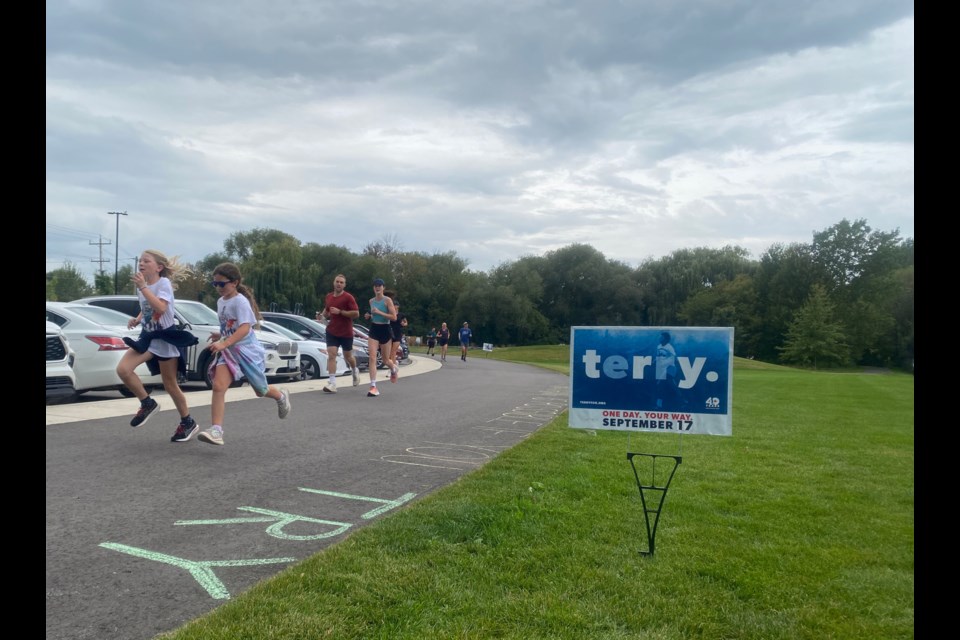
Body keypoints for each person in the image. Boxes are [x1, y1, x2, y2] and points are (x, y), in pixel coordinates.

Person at [198, 262, 292, 446]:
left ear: (235, 282)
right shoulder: (220, 301)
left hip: (247, 351)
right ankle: (216, 430)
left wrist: (225, 341)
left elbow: (244, 328)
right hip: (229, 352)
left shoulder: (240, 301)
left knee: (260, 390)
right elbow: (230, 325)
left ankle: (281, 397)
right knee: (218, 386)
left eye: (222, 284)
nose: (218, 288)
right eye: (214, 284)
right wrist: (221, 335)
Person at [115, 249, 200, 442]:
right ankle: (147, 403)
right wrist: (137, 319)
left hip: (165, 338)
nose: (141, 264)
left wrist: (144, 287)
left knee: (170, 384)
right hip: (148, 337)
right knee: (123, 369)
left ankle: (188, 422)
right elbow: (147, 307)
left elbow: (161, 307)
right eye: (141, 261)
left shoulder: (163, 283)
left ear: (159, 267)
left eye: (146, 261)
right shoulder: (142, 287)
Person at [317, 273, 362, 394]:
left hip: (346, 332)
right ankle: (332, 383)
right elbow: (327, 311)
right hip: (332, 331)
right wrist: (321, 316)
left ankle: (354, 370)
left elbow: (356, 313)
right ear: (334, 282)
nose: (339, 284)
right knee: (332, 355)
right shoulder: (329, 297)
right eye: (337, 281)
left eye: (341, 282)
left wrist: (340, 312)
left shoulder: (348, 297)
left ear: (344, 285)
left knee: (348, 357)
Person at [362, 278, 399, 397]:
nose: (377, 287)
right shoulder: (371, 301)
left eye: (379, 285)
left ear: (383, 287)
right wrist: (369, 316)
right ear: (373, 288)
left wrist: (379, 312)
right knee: (372, 357)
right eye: (375, 286)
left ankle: (393, 368)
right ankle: (373, 386)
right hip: (374, 329)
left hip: (385, 330)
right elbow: (374, 315)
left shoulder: (387, 300)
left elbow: (394, 317)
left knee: (385, 360)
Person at [655, 331, 679, 410]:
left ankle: (682, 400)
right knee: (661, 387)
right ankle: (659, 405)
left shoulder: (669, 347)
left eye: (661, 337)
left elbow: (672, 359)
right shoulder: (658, 346)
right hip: (662, 369)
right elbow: (659, 356)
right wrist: (655, 360)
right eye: (659, 337)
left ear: (665, 339)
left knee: (668, 384)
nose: (659, 338)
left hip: (670, 368)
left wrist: (664, 365)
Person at [384, 289, 408, 365]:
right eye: (394, 305)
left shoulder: (401, 315)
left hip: (398, 333)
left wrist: (404, 324)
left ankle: (392, 368)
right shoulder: (390, 314)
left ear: (398, 306)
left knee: (393, 351)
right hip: (390, 333)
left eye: (396, 306)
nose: (395, 307)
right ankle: (394, 364)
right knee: (389, 352)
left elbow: (406, 322)